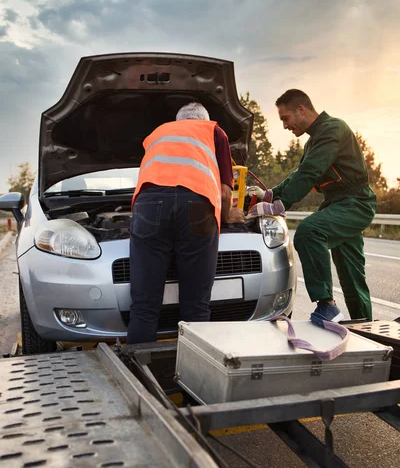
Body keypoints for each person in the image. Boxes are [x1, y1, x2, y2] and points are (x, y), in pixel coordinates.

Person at [247, 89, 376, 323]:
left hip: (356, 203)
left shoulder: (333, 129)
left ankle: (327, 306)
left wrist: (277, 205)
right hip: (337, 204)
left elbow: (310, 172)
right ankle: (366, 326)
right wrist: (270, 193)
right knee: (351, 274)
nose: (285, 126)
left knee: (308, 231)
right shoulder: (313, 142)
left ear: (301, 109)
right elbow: (298, 174)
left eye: (285, 118)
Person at [127, 102, 244, 344]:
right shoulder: (213, 131)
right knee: (196, 306)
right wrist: (228, 216)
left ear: (178, 121)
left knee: (144, 306)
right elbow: (223, 191)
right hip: (197, 204)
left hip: (150, 204)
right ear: (204, 119)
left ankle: (137, 372)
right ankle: (197, 372)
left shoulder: (157, 134)